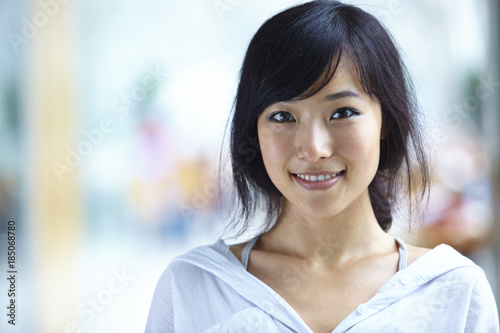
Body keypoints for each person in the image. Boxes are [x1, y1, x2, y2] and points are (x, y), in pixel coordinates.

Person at [145, 1, 499, 332]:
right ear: (253, 129)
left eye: (342, 112)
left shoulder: (454, 291)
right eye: (283, 116)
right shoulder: (194, 288)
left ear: (385, 121)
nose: (314, 148)